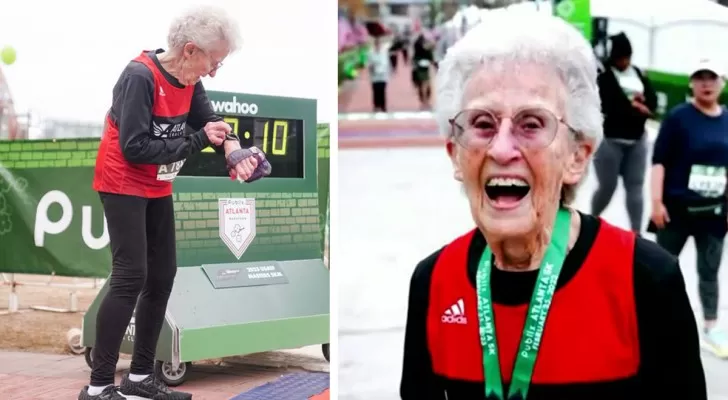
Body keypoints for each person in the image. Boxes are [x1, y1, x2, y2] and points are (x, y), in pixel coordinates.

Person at [400, 11, 706, 400]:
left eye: (531, 123)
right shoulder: (433, 281)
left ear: (577, 156)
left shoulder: (646, 278)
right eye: (482, 123)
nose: (501, 148)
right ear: (455, 155)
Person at [80, 6, 265, 400]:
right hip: (123, 179)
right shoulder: (139, 77)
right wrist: (199, 140)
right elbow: (134, 147)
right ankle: (97, 387)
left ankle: (141, 378)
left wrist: (234, 150)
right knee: (131, 276)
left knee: (163, 274)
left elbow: (209, 120)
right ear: (190, 50)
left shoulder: (189, 79)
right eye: (213, 62)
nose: (214, 72)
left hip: (157, 184)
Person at [650, 59, 728, 359]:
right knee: (661, 270)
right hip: (676, 211)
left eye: (712, 78)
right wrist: (656, 202)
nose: (706, 83)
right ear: (691, 83)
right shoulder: (678, 118)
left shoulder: (726, 120)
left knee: (709, 271)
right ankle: (655, 326)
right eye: (700, 78)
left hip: (714, 213)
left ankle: (711, 327)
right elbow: (659, 162)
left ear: (721, 82)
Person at [591, 33, 656, 232]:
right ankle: (591, 221)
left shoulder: (637, 73)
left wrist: (643, 107)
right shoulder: (605, 76)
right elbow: (610, 106)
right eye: (620, 58)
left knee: (635, 187)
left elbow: (652, 100)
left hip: (636, 141)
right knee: (607, 187)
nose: (624, 62)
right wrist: (637, 109)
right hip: (611, 141)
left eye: (627, 57)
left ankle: (637, 233)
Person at [411, 32, 434, 110]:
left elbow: (414, 59)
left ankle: (424, 101)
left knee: (423, 86)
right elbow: (431, 58)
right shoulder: (424, 47)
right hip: (423, 68)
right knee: (425, 85)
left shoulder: (418, 46)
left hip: (420, 68)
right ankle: (425, 102)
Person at [369, 37, 390, 112]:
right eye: (376, 44)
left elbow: (386, 63)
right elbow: (369, 64)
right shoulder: (371, 53)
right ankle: (376, 106)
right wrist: (372, 68)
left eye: (379, 44)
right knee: (375, 91)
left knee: (382, 91)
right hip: (374, 76)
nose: (377, 46)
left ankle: (383, 106)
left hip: (383, 75)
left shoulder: (384, 52)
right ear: (374, 45)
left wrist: (386, 72)